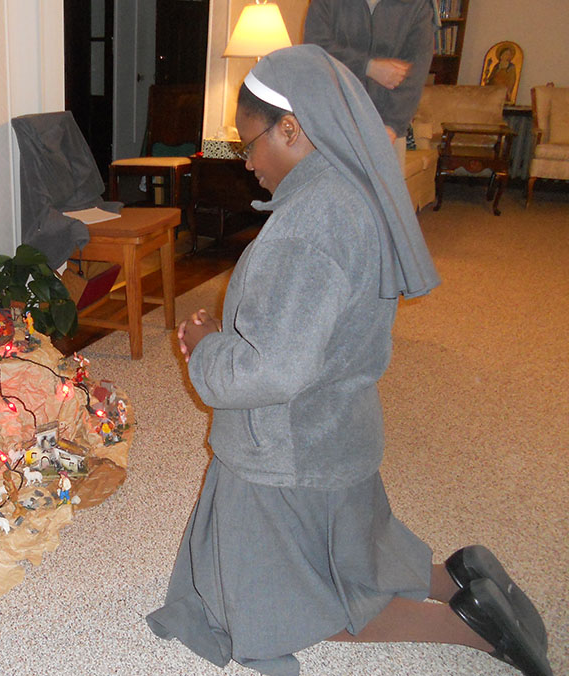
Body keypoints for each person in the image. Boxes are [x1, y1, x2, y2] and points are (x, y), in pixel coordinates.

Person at [146, 45, 550, 676]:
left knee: (285, 604)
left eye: (248, 141)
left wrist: (207, 348)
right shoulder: (347, 193)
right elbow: (308, 330)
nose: (245, 158)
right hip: (337, 431)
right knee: (347, 555)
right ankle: (455, 575)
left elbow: (273, 373)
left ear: (292, 128)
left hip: (283, 452)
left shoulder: (308, 229)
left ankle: (468, 627)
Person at [303, 0, 436, 144]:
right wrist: (368, 66)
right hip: (329, 121)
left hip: (385, 128)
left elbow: (416, 72)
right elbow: (314, 51)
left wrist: (392, 125)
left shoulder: (416, 5)